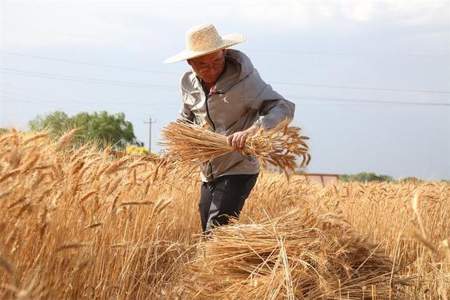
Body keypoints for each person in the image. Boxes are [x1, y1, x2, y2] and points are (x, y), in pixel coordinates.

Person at [164, 24, 295, 233]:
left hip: (238, 167)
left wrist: (253, 131)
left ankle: (211, 266)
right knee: (208, 227)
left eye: (217, 61)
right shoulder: (187, 83)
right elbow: (187, 118)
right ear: (190, 63)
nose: (213, 69)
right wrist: (176, 141)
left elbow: (283, 107)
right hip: (208, 172)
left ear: (224, 51)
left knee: (215, 231)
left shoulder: (245, 80)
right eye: (203, 65)